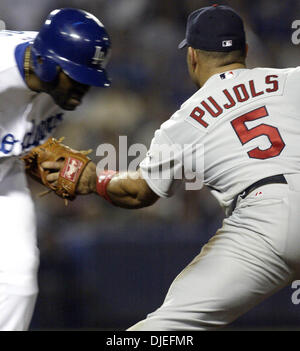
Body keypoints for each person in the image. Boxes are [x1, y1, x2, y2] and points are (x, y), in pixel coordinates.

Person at [46, 4, 300, 330]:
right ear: (246, 50)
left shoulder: (184, 120)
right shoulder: (290, 79)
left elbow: (139, 193)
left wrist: (92, 179)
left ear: (192, 56)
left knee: (166, 328)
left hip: (261, 225)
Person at [0, 8, 111, 330]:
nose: (83, 89)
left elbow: (23, 145)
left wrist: (86, 178)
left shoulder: (51, 80)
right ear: (46, 63)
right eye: (77, 77)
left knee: (20, 279)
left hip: (5, 179)